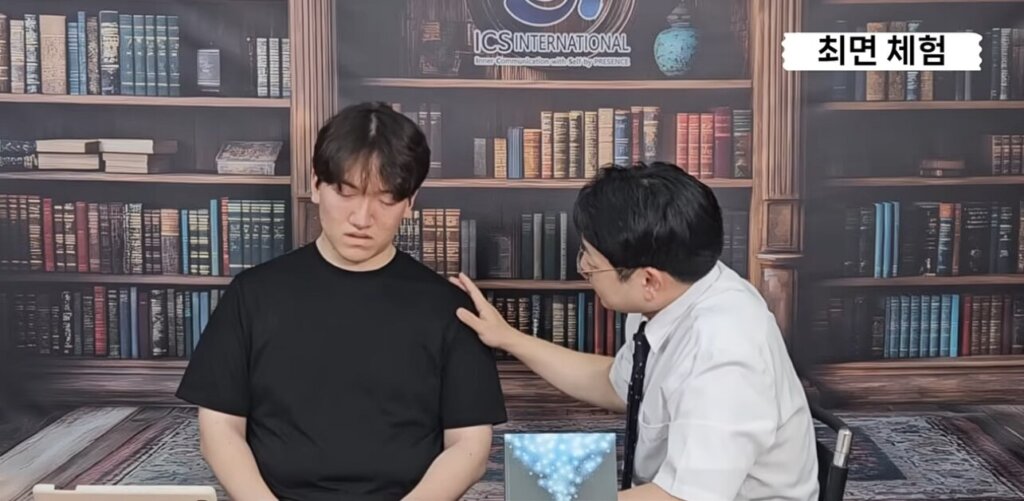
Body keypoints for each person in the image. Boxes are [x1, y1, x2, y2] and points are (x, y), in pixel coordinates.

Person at [175, 101, 508, 501]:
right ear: (316, 184)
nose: (362, 218)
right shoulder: (252, 294)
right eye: (346, 193)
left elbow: (469, 447)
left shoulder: (449, 308)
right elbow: (219, 430)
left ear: (410, 202)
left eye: (386, 199)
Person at [450, 162, 819, 501]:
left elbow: (681, 498)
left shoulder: (725, 355)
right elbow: (615, 383)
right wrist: (508, 337)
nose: (584, 269)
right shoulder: (681, 291)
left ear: (649, 280)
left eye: (592, 263)